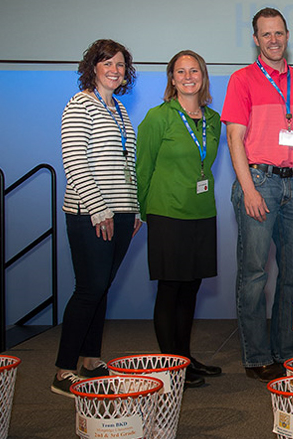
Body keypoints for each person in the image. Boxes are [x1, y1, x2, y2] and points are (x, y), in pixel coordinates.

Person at [222, 7, 293, 382]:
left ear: (287, 35)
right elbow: (234, 136)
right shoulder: (242, 79)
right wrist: (248, 188)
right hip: (259, 182)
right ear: (256, 39)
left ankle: (284, 350)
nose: (274, 40)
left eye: (279, 33)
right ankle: (257, 355)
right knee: (254, 275)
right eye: (266, 34)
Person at [52, 39, 143, 397]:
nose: (114, 70)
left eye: (120, 65)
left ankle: (90, 360)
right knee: (88, 289)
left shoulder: (120, 111)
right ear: (92, 67)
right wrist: (99, 209)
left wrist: (133, 210)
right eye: (107, 63)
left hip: (121, 214)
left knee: (102, 287)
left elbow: (127, 168)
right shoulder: (79, 106)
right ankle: (62, 370)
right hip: (90, 214)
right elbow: (75, 163)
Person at [136, 50, 222, 389]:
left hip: (202, 213)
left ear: (203, 76)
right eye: (181, 71)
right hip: (166, 214)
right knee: (170, 290)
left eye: (195, 70)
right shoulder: (158, 118)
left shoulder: (213, 120)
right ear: (172, 79)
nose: (188, 76)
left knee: (191, 289)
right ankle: (170, 365)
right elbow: (142, 169)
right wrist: (142, 213)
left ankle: (185, 360)